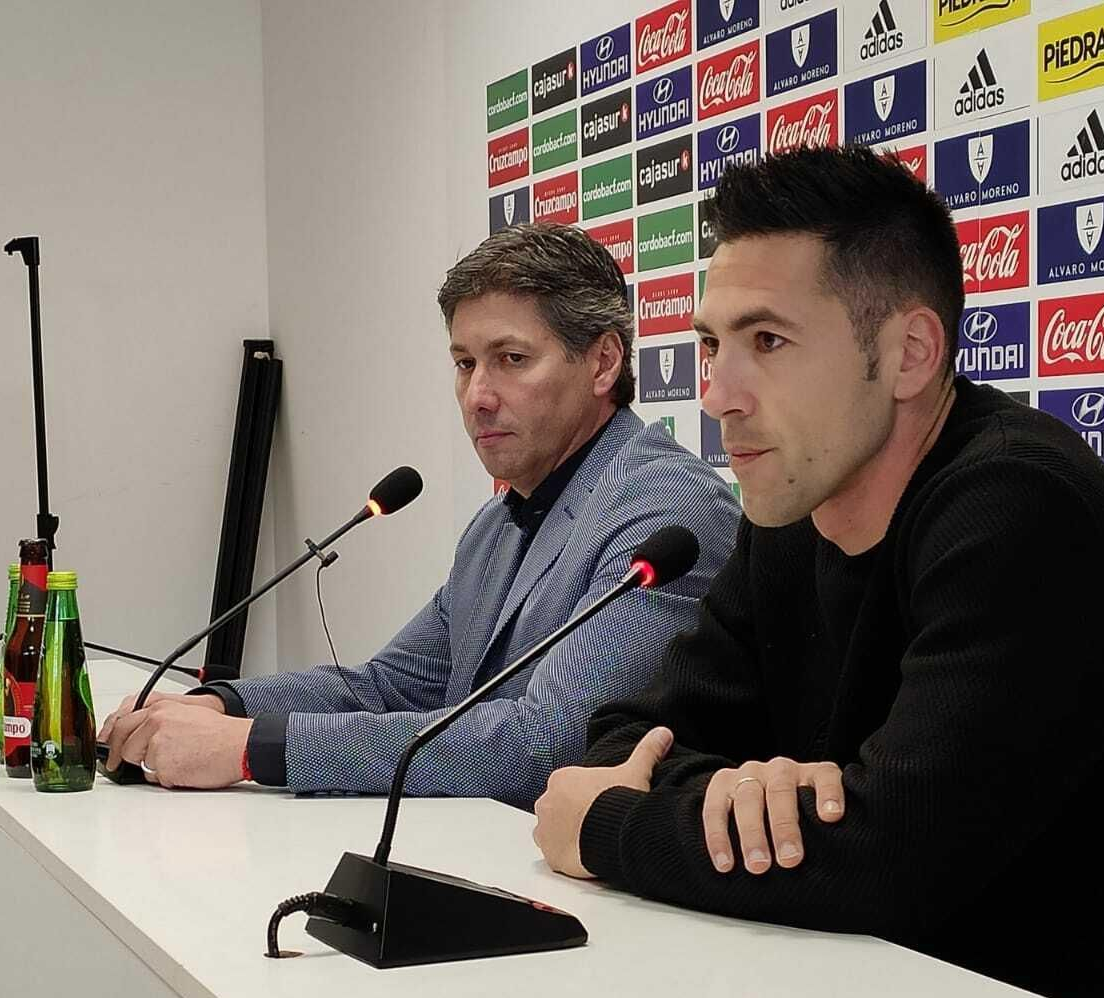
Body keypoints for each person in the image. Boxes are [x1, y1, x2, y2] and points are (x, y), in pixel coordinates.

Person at [531, 146, 1104, 998]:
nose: (718, 396)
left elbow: (886, 862)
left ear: (910, 352)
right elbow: (632, 736)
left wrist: (611, 829)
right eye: (710, 344)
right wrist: (740, 797)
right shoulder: (790, 512)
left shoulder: (1020, 509)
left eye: (767, 342)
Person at [100, 222, 739, 808]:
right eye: (465, 364)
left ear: (603, 363)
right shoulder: (497, 524)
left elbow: (544, 747)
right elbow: (390, 686)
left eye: (512, 359)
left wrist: (252, 748)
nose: (478, 396)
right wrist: (220, 703)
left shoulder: (668, 516)